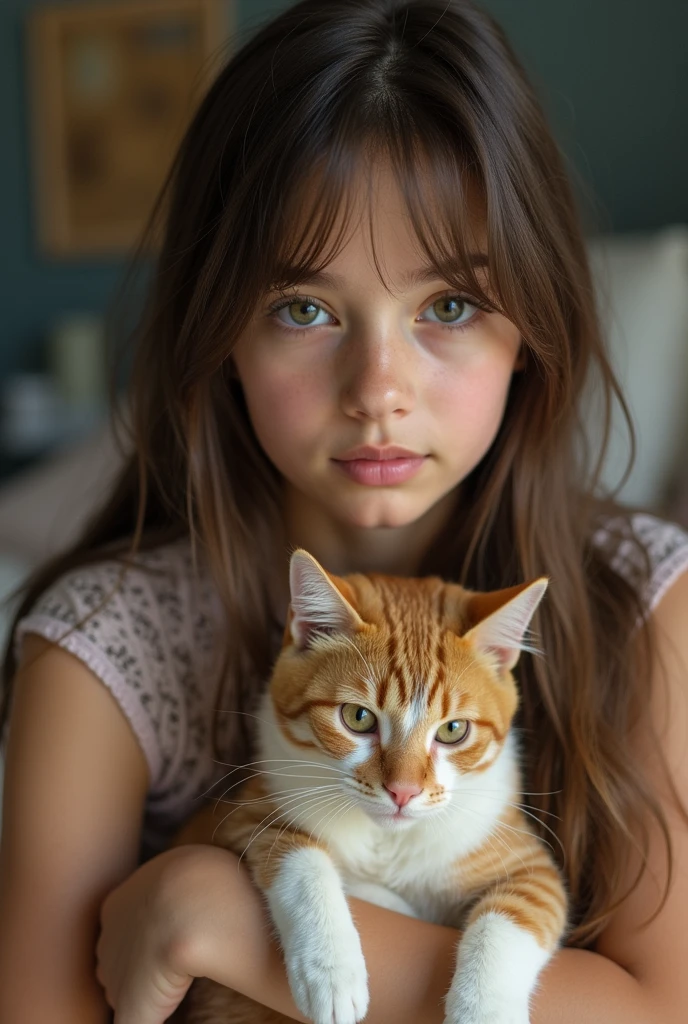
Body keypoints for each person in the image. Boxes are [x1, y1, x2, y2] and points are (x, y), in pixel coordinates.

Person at [1, 1, 687, 1021]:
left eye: (446, 306)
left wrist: (221, 916)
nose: (378, 387)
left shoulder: (637, 596)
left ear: (532, 329)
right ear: (219, 331)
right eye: (303, 309)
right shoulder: (103, 648)